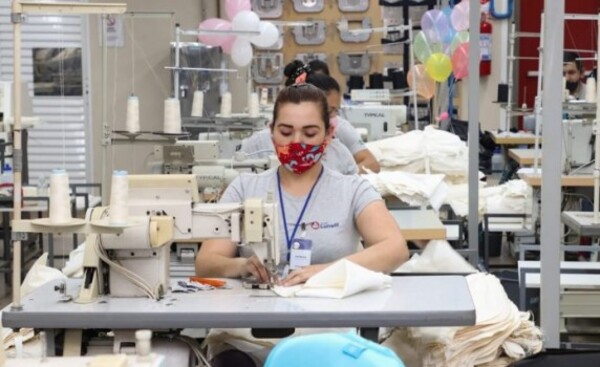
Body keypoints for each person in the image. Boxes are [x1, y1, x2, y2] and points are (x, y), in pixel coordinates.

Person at [196, 83, 408, 366]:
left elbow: (395, 248)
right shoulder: (245, 187)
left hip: (324, 337)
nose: (297, 142)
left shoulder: (352, 189)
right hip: (246, 339)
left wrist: (325, 272)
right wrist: (240, 266)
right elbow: (206, 261)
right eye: (286, 132)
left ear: (329, 134)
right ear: (271, 132)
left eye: (309, 133)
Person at [284, 61, 381, 173]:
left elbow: (371, 164)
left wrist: (338, 180)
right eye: (329, 110)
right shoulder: (267, 140)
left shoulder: (337, 146)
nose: (332, 116)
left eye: (334, 110)